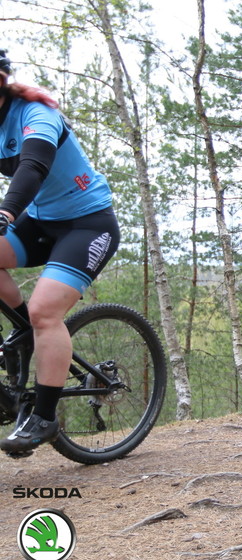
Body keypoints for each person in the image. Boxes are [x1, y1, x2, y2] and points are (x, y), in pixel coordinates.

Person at [0, 50, 120, 455]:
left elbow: (33, 166)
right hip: (38, 221)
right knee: (31, 320)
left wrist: (4, 212)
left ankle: (45, 417)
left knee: (44, 311)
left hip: (87, 224)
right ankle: (24, 332)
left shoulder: (36, 114)